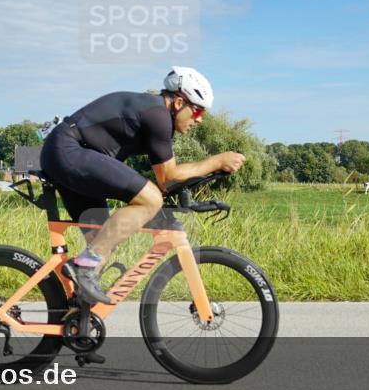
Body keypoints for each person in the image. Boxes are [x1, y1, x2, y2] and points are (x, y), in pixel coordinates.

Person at [39, 66, 245, 305]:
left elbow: (168, 179)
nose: (199, 120)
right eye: (197, 112)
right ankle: (83, 268)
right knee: (150, 199)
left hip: (70, 153)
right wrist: (216, 161)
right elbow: (167, 178)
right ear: (179, 102)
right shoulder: (157, 116)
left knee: (103, 241)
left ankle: (77, 318)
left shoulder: (156, 114)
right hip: (69, 151)